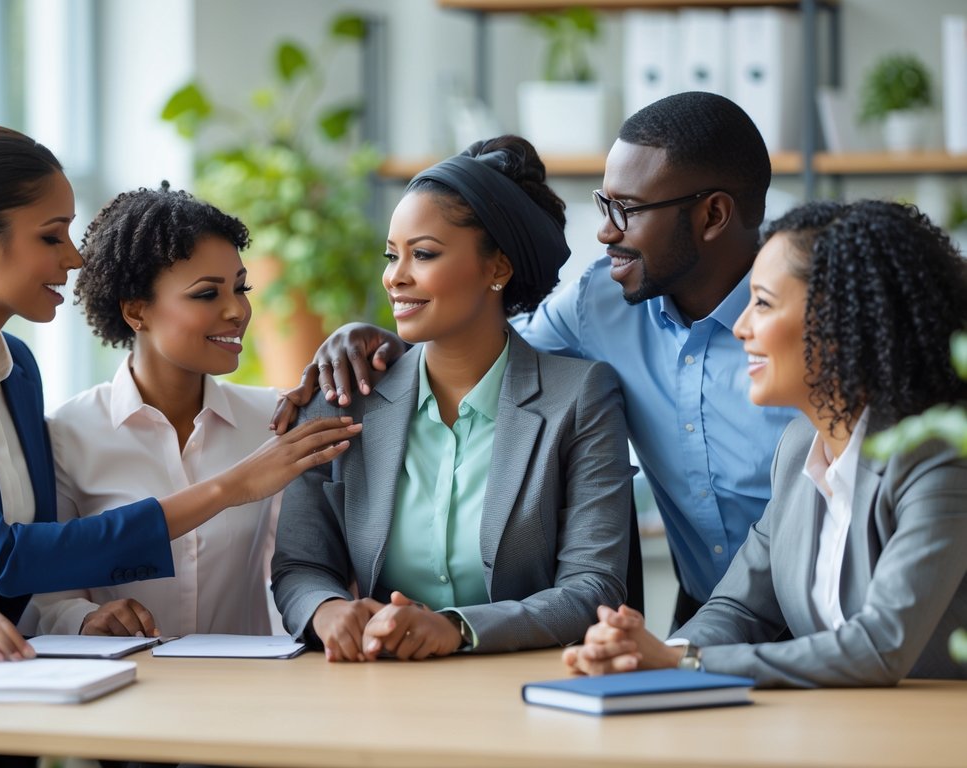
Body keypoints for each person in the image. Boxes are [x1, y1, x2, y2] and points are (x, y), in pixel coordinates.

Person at [0, 126, 360, 667]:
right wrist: (229, 487)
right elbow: (2, 556)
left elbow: (40, 567)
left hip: (4, 676)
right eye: (51, 235)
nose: (75, 257)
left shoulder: (18, 372)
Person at [274, 92, 798, 629]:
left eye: (629, 210)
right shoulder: (602, 302)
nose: (605, 231)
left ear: (713, 214)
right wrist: (374, 342)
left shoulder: (816, 322)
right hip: (709, 612)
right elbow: (489, 346)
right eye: (604, 204)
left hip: (824, 605)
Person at [563, 199, 967, 687]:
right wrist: (641, 654)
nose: (740, 327)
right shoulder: (800, 447)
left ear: (842, 322)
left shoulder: (940, 460)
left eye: (763, 303)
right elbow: (738, 607)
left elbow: (880, 646)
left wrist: (683, 664)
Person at [271, 135, 633, 662]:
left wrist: (458, 628)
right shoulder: (345, 395)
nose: (395, 276)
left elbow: (592, 586)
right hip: (378, 688)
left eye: (423, 254)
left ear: (497, 268)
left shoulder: (580, 398)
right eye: (392, 255)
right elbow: (301, 564)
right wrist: (326, 610)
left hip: (525, 691)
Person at [21, 183, 284, 638]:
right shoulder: (68, 434)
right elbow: (45, 593)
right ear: (136, 311)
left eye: (241, 289)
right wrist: (85, 618)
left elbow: (302, 568)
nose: (237, 311)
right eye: (207, 294)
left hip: (245, 693)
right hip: (125, 693)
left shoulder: (272, 421)